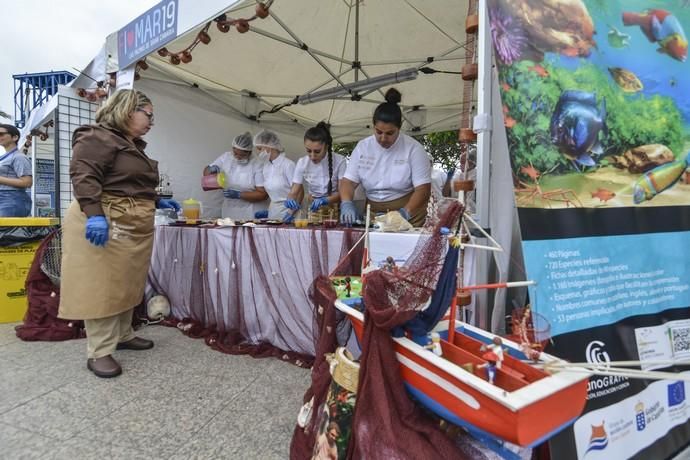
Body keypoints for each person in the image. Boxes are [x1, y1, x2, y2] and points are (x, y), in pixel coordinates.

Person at [58, 89, 180, 378]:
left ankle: (124, 335)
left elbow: (129, 181)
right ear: (127, 110)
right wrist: (95, 216)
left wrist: (157, 199)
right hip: (106, 217)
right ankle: (99, 351)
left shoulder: (132, 144)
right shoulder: (96, 136)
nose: (152, 121)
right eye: (148, 115)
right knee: (102, 284)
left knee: (129, 281)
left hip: (134, 221)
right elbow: (84, 176)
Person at [339, 88, 431, 227]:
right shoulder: (363, 147)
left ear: (399, 128)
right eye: (378, 132)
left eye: (389, 133)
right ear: (373, 126)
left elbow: (423, 189)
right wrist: (346, 202)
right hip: (373, 213)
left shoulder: (413, 149)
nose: (383, 138)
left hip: (407, 213)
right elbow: (348, 182)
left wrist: (405, 213)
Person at [285, 122, 346, 223]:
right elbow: (294, 191)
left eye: (317, 151)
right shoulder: (302, 162)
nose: (312, 156)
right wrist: (290, 200)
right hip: (313, 210)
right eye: (308, 151)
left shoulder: (340, 161)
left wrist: (324, 200)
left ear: (326, 147)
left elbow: (342, 193)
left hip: (334, 209)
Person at [203, 132, 268, 220]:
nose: (237, 157)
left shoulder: (257, 164)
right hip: (229, 210)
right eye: (235, 153)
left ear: (249, 152)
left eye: (242, 155)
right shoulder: (226, 157)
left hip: (250, 211)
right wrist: (211, 170)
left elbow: (262, 194)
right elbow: (206, 174)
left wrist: (239, 195)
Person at [253, 129, 295, 220]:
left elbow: (299, 191)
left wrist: (291, 212)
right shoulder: (266, 166)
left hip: (289, 211)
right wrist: (270, 211)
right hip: (273, 211)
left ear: (269, 146)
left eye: (260, 149)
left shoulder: (288, 165)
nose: (258, 152)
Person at [0, 124, 32, 217]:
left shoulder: (19, 157)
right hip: (6, 199)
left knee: (7, 231)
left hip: (11, 199)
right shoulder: (4, 157)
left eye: (1, 134)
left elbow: (27, 182)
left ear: (14, 137)